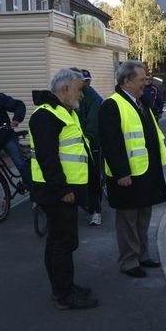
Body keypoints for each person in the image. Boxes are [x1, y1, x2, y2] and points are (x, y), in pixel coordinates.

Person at [29, 68, 98, 310]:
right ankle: (64, 293)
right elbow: (48, 158)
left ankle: (62, 287)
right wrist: (63, 189)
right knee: (64, 242)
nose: (82, 94)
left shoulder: (64, 112)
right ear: (66, 89)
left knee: (59, 241)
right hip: (57, 192)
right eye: (80, 89)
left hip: (64, 190)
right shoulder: (46, 116)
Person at [99, 60, 166, 278]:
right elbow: (111, 143)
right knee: (128, 220)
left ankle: (142, 255)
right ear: (126, 81)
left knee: (142, 216)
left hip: (145, 172)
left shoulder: (141, 101)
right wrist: (121, 173)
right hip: (128, 175)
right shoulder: (112, 105)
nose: (145, 83)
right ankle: (129, 262)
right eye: (142, 79)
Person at [75, 69, 104, 226]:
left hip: (91, 143)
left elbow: (93, 122)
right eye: (83, 80)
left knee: (93, 177)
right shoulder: (75, 96)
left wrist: (87, 138)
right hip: (76, 144)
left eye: (87, 80)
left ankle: (97, 212)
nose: (85, 83)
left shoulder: (93, 97)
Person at [0, 91, 31, 188]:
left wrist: (16, 119)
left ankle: (35, 196)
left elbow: (19, 105)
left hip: (6, 137)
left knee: (20, 164)